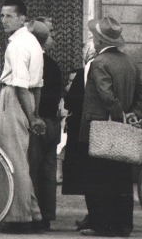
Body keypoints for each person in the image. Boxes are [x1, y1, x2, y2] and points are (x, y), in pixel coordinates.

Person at [79, 16, 142, 239]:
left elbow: (106, 95)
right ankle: (123, 225)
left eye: (93, 38)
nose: (92, 41)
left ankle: (103, 225)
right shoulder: (130, 62)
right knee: (121, 179)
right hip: (123, 130)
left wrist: (119, 114)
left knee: (98, 178)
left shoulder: (100, 63)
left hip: (100, 128)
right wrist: (132, 116)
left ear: (99, 41)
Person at [0, 0, 44, 234]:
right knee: (20, 160)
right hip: (27, 101)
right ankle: (32, 213)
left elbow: (21, 85)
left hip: (14, 98)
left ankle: (18, 218)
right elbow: (37, 86)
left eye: (9, 16)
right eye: (2, 16)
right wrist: (34, 113)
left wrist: (32, 117)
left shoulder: (16, 45)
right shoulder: (33, 42)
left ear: (23, 17)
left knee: (10, 160)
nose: (4, 20)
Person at [27, 19, 64, 233]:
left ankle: (34, 214)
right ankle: (48, 215)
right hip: (52, 122)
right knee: (48, 171)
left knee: (31, 168)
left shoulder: (32, 62)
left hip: (37, 122)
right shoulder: (53, 65)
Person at [63, 40, 97, 229]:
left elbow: (71, 102)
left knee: (87, 174)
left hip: (82, 129)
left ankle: (93, 215)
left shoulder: (85, 72)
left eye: (85, 49)